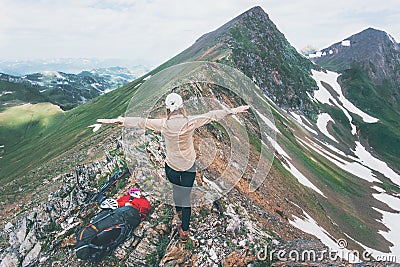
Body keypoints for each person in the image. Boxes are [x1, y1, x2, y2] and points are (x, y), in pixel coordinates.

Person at [97, 93, 249, 242]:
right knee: (186, 197)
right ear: (181, 107)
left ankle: (179, 211)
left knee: (177, 190)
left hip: (172, 166)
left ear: (167, 109)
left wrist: (120, 120)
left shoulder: (163, 124)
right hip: (189, 165)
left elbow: (141, 122)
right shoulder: (191, 121)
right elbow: (212, 115)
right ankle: (185, 231)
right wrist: (233, 110)